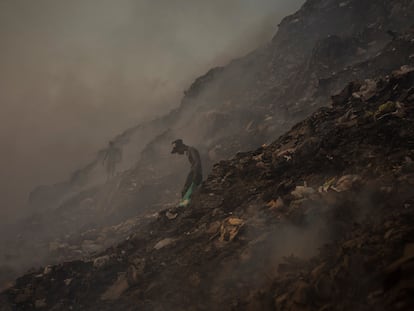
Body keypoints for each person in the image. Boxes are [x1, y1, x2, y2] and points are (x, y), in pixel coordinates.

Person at [171, 139, 202, 206]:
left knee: (189, 191)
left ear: (180, 147)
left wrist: (195, 174)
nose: (178, 153)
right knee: (184, 191)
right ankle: (185, 205)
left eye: (177, 150)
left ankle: (186, 205)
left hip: (196, 173)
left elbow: (197, 162)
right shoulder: (188, 152)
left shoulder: (191, 150)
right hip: (193, 173)